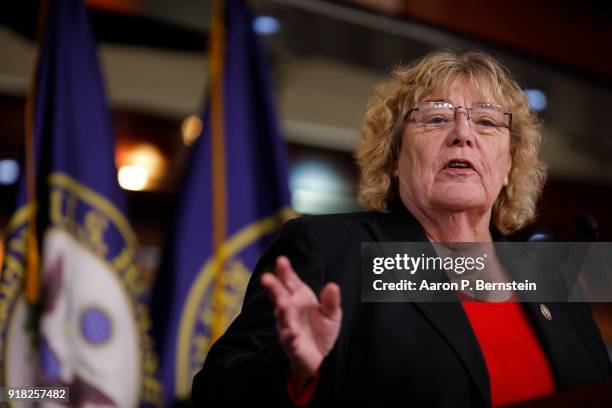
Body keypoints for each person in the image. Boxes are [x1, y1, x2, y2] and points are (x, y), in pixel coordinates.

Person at [192, 50, 612, 407]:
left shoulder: (549, 278)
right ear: (393, 157)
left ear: (509, 166)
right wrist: (293, 370)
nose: (463, 134)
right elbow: (215, 394)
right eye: (434, 119)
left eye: (486, 122)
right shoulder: (334, 252)